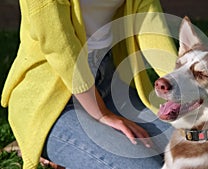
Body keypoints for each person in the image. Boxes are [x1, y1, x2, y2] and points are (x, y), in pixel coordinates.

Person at [1, 0, 177, 168]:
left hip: (107, 85)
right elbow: (59, 47)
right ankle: (40, 139)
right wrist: (101, 114)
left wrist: (182, 85)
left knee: (195, 142)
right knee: (145, 165)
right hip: (51, 102)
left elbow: (149, 20)